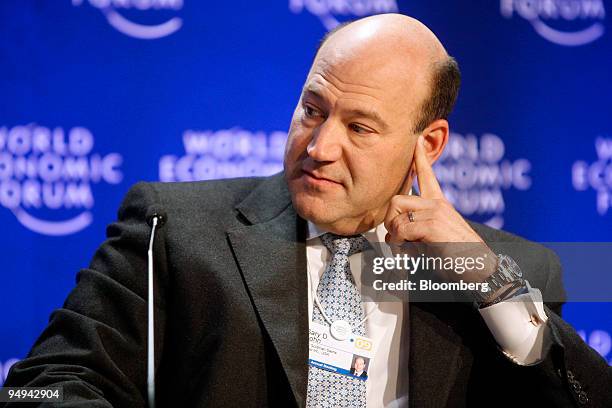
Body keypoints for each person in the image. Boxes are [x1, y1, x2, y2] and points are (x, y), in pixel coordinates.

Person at [3, 13, 612, 408]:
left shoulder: (510, 271)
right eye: (312, 110)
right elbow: (43, 386)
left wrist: (487, 281)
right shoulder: (174, 229)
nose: (320, 148)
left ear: (428, 144)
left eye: (360, 127)